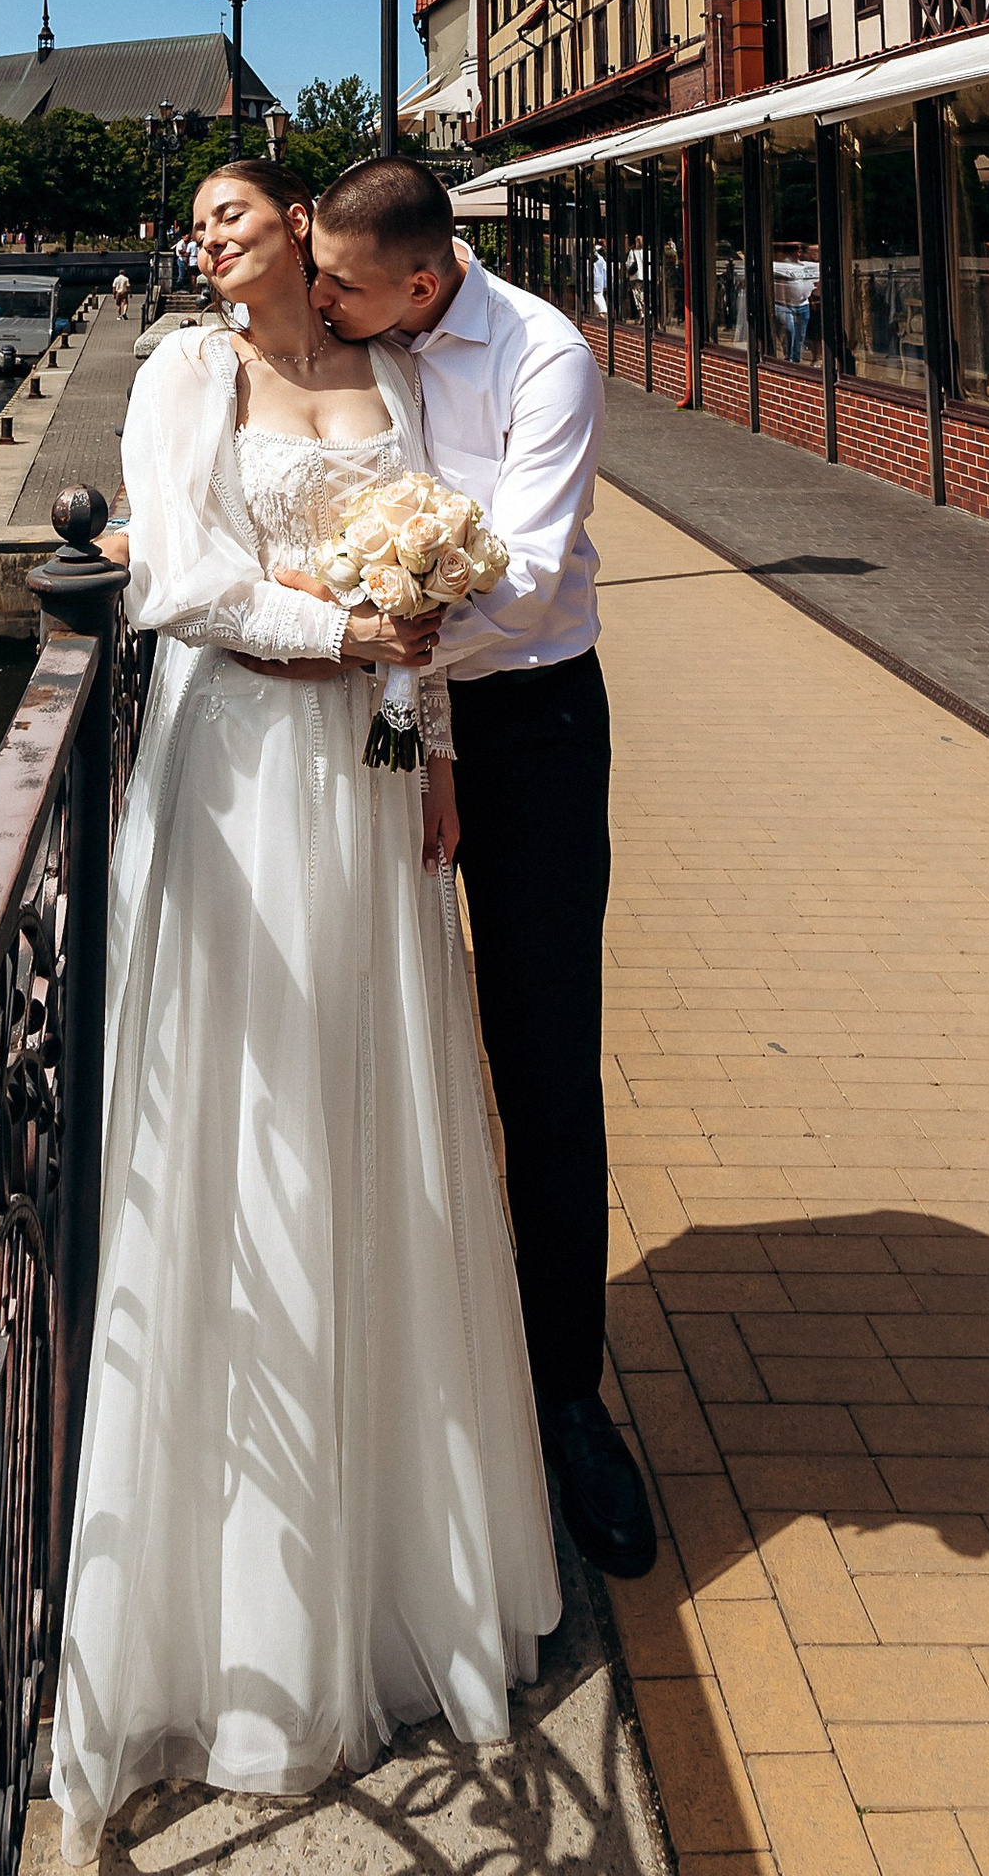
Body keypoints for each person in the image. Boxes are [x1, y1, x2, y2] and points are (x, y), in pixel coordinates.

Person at [50, 160, 556, 1859]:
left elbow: (437, 598)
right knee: (254, 1127)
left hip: (365, 784)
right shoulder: (187, 375)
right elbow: (175, 581)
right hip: (242, 779)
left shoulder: (397, 377)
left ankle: (396, 1566)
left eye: (237, 214)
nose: (211, 239)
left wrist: (435, 742)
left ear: (308, 242)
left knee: (383, 1125)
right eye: (195, 221)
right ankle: (243, 1619)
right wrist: (350, 639)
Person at [308, 153, 657, 1586]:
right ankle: (394, 1376)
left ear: (424, 281)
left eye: (339, 277)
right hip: (378, 710)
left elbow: (518, 579)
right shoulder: (354, 339)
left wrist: (357, 645)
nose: (318, 297)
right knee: (364, 1033)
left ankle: (568, 1400)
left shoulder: (544, 357)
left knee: (542, 1053)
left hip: (529, 727)